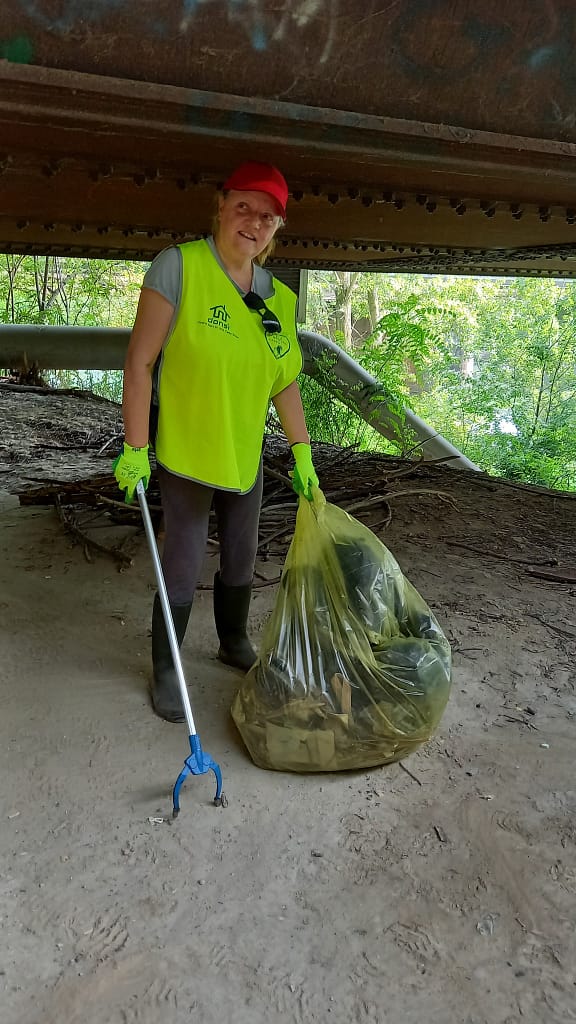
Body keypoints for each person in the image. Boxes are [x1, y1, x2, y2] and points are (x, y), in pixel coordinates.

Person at [113, 161, 319, 723]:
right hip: (185, 454)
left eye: (268, 216)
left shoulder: (277, 298)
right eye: (244, 207)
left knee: (240, 556)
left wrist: (302, 451)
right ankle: (166, 670)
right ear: (222, 206)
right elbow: (140, 362)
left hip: (242, 457)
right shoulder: (179, 267)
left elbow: (286, 383)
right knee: (180, 564)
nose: (253, 222)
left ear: (276, 230)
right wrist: (136, 446)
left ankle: (232, 641)